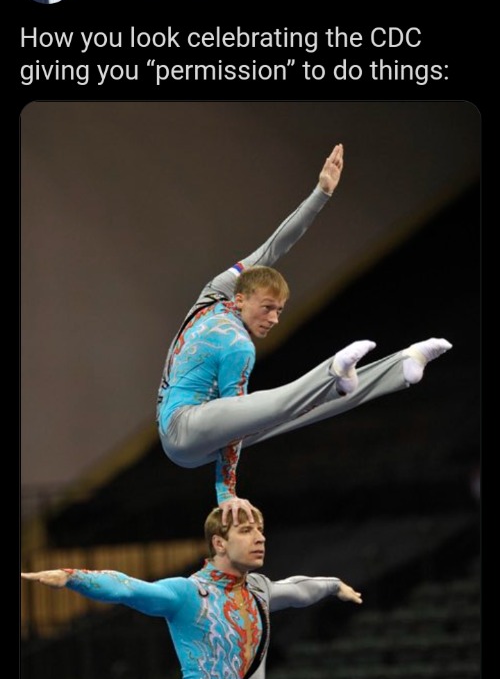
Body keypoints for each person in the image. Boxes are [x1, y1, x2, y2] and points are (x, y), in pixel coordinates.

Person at [156, 145, 452, 521]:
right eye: (267, 309)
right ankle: (332, 371)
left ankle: (400, 367)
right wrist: (225, 492)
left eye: (279, 311)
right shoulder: (237, 345)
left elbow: (275, 245)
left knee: (302, 410)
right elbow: (237, 422)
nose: (274, 320)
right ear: (241, 298)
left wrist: (321, 193)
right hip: (181, 428)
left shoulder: (219, 290)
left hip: (203, 434)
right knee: (281, 403)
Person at [22, 505, 362, 679]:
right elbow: (128, 587)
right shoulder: (187, 593)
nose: (260, 538)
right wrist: (73, 576)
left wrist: (334, 585)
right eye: (247, 530)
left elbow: (299, 589)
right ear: (220, 543)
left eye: (260, 530)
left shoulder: (259, 589)